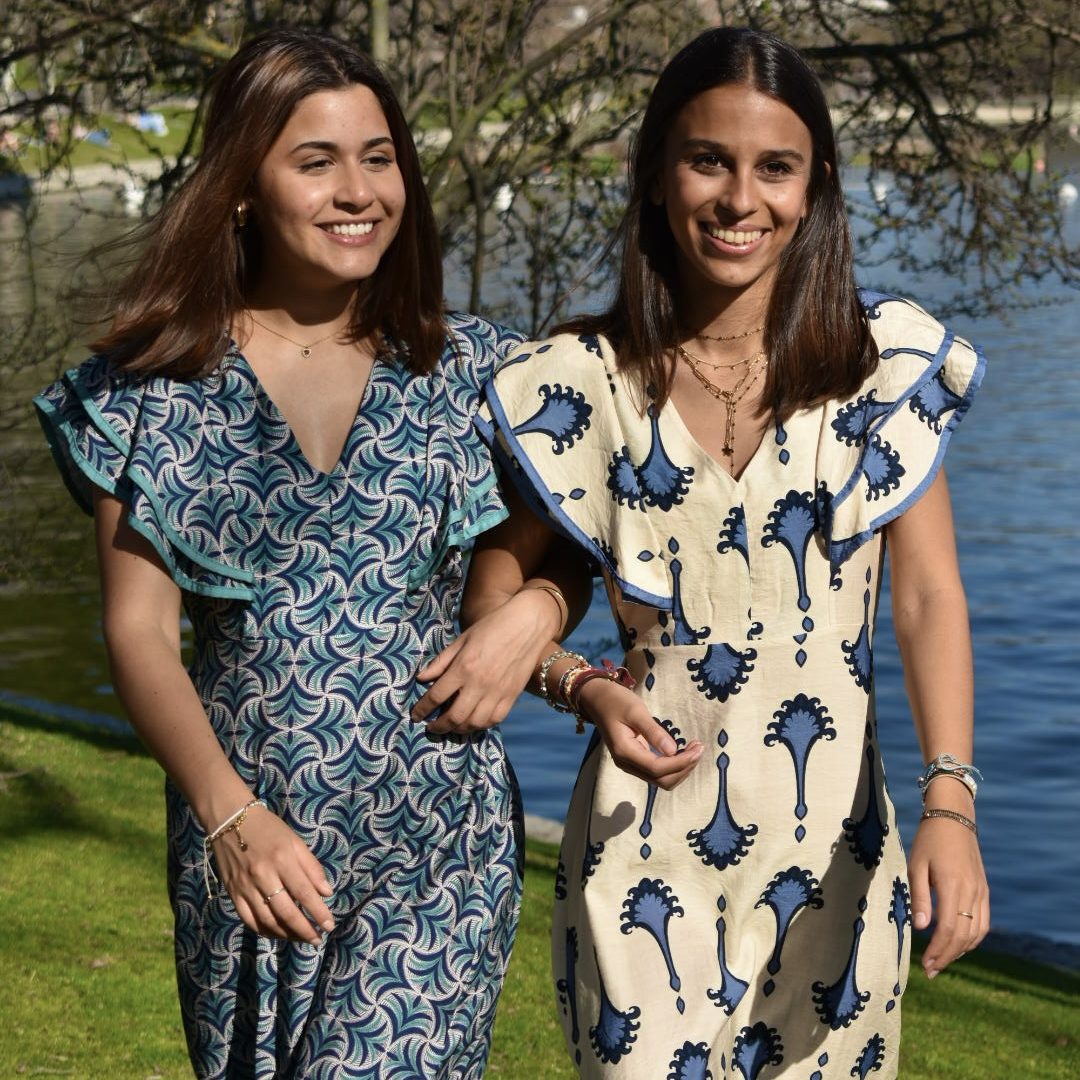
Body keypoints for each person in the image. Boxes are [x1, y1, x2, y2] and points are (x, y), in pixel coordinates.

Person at [446, 25, 989, 1079]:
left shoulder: (883, 374)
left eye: (775, 168)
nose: (741, 199)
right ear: (656, 177)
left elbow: (927, 597)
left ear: (815, 186)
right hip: (642, 846)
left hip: (840, 854)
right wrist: (580, 686)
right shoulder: (582, 385)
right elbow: (496, 592)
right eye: (709, 161)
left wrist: (952, 808)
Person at [33, 27, 566, 1080]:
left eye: (378, 158)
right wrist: (229, 817)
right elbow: (138, 634)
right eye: (315, 161)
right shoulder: (150, 394)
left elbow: (592, 538)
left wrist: (539, 610)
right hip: (251, 844)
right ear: (242, 187)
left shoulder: (484, 376)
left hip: (439, 841)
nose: (357, 190)